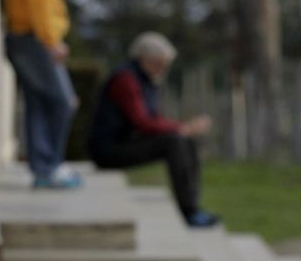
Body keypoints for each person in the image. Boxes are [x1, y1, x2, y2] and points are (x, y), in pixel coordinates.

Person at [88, 32, 219, 227]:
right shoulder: (126, 79)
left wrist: (181, 129)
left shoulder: (146, 80)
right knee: (174, 141)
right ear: (146, 59)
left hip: (126, 142)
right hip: (108, 150)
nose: (163, 68)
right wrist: (183, 127)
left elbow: (153, 120)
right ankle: (189, 211)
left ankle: (193, 206)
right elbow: (142, 122)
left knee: (183, 140)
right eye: (160, 62)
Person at [2, 0, 80, 189]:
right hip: (33, 38)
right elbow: (38, 0)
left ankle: (43, 169)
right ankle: (48, 167)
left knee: (38, 103)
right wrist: (51, 40)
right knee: (63, 102)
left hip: (24, 36)